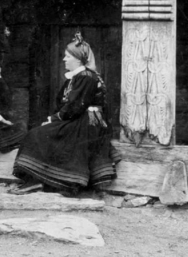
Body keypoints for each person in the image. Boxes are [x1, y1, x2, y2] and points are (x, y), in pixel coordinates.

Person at [12, 32, 115, 194]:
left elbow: (75, 106)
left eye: (67, 56)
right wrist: (54, 118)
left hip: (86, 124)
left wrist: (54, 119)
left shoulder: (87, 77)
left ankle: (47, 181)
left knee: (37, 135)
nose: (64, 59)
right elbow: (64, 103)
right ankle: (38, 180)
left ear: (79, 59)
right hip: (76, 118)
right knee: (40, 134)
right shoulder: (75, 78)